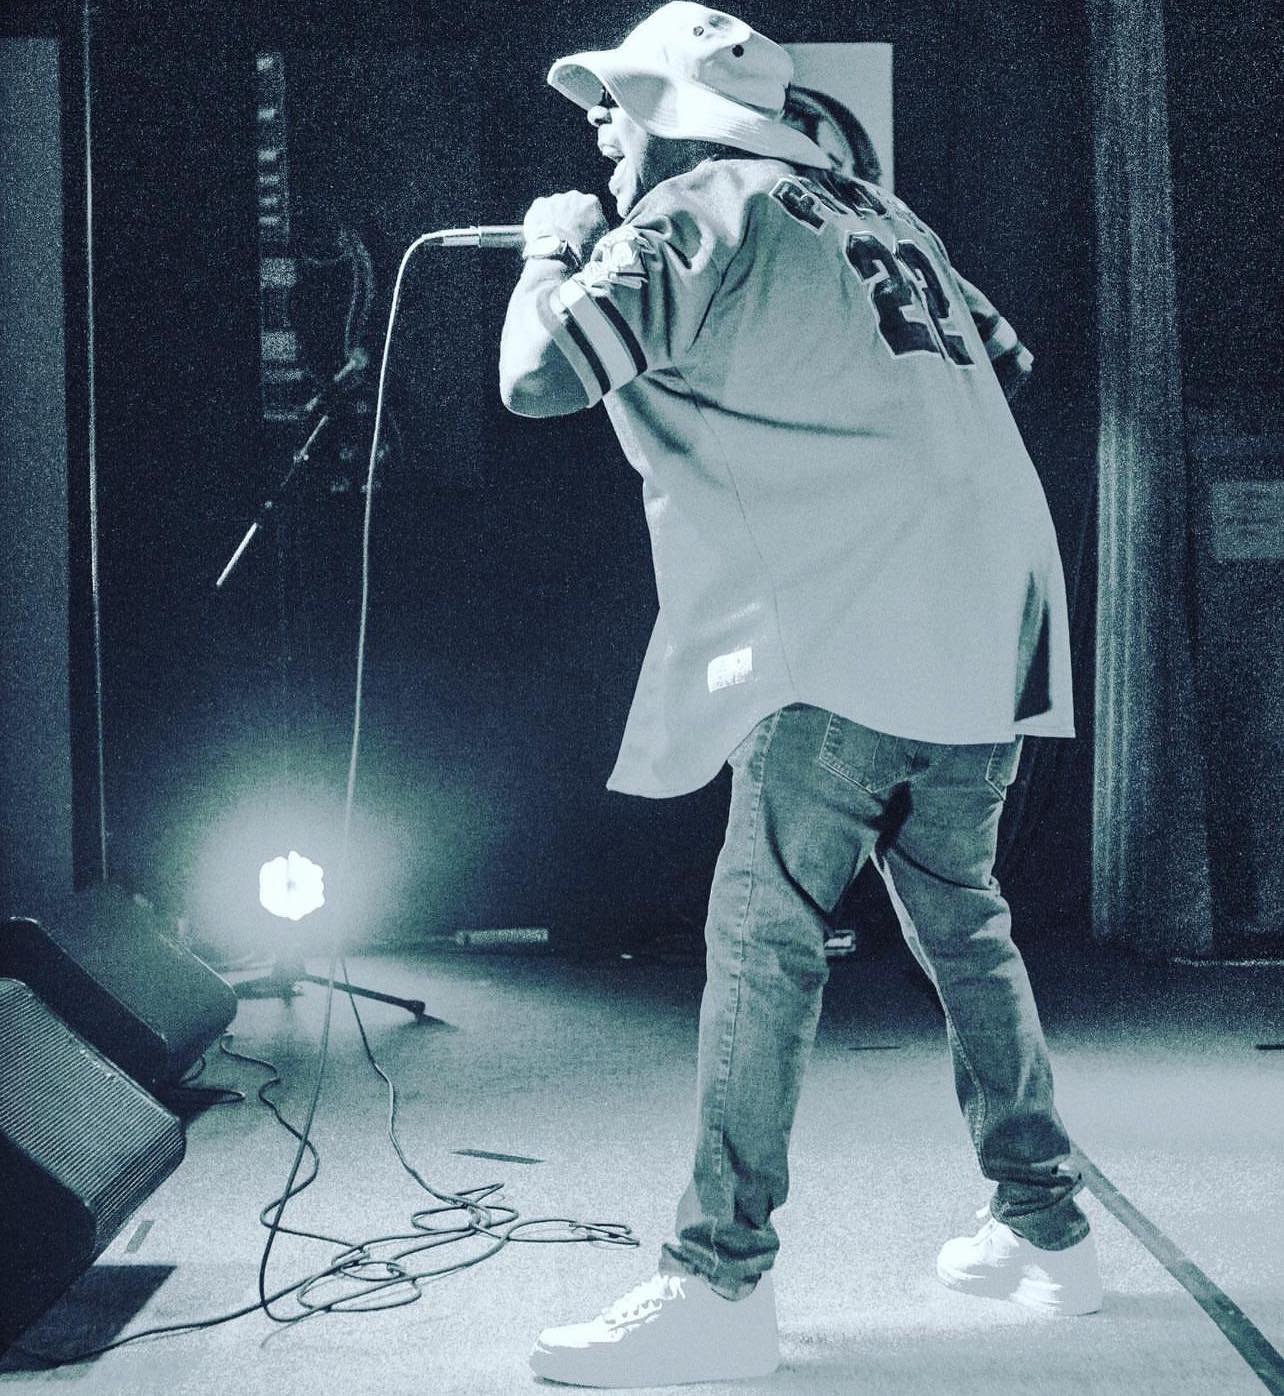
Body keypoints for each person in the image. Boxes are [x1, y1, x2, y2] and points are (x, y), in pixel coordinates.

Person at [498, 4, 1101, 1387]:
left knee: (764, 946)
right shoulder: (886, 215)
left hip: (844, 615)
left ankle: (717, 1283)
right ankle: (1047, 1227)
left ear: (676, 111)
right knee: (965, 923)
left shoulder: (700, 205)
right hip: (989, 617)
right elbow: (1003, 364)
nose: (601, 129)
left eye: (615, 104)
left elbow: (537, 377)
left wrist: (549, 254)